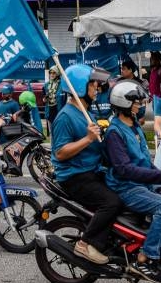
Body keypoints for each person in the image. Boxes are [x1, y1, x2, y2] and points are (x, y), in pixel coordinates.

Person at [103, 81, 161, 283]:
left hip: (141, 182)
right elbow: (125, 170)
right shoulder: (114, 132)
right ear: (124, 104)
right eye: (136, 103)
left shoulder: (135, 126)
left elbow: (145, 162)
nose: (140, 106)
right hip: (126, 187)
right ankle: (145, 257)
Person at [51, 64, 121, 264]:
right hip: (75, 176)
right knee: (111, 202)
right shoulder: (65, 117)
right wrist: (88, 139)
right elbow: (60, 152)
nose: (97, 88)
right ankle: (86, 242)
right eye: (93, 84)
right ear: (80, 87)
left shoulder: (84, 111)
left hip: (92, 170)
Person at [43, 66, 62, 134]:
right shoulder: (46, 85)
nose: (52, 74)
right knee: (52, 132)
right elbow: (44, 97)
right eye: (50, 72)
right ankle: (52, 145)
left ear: (57, 73)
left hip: (59, 110)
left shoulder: (62, 84)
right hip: (49, 110)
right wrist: (44, 99)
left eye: (54, 72)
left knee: (59, 131)